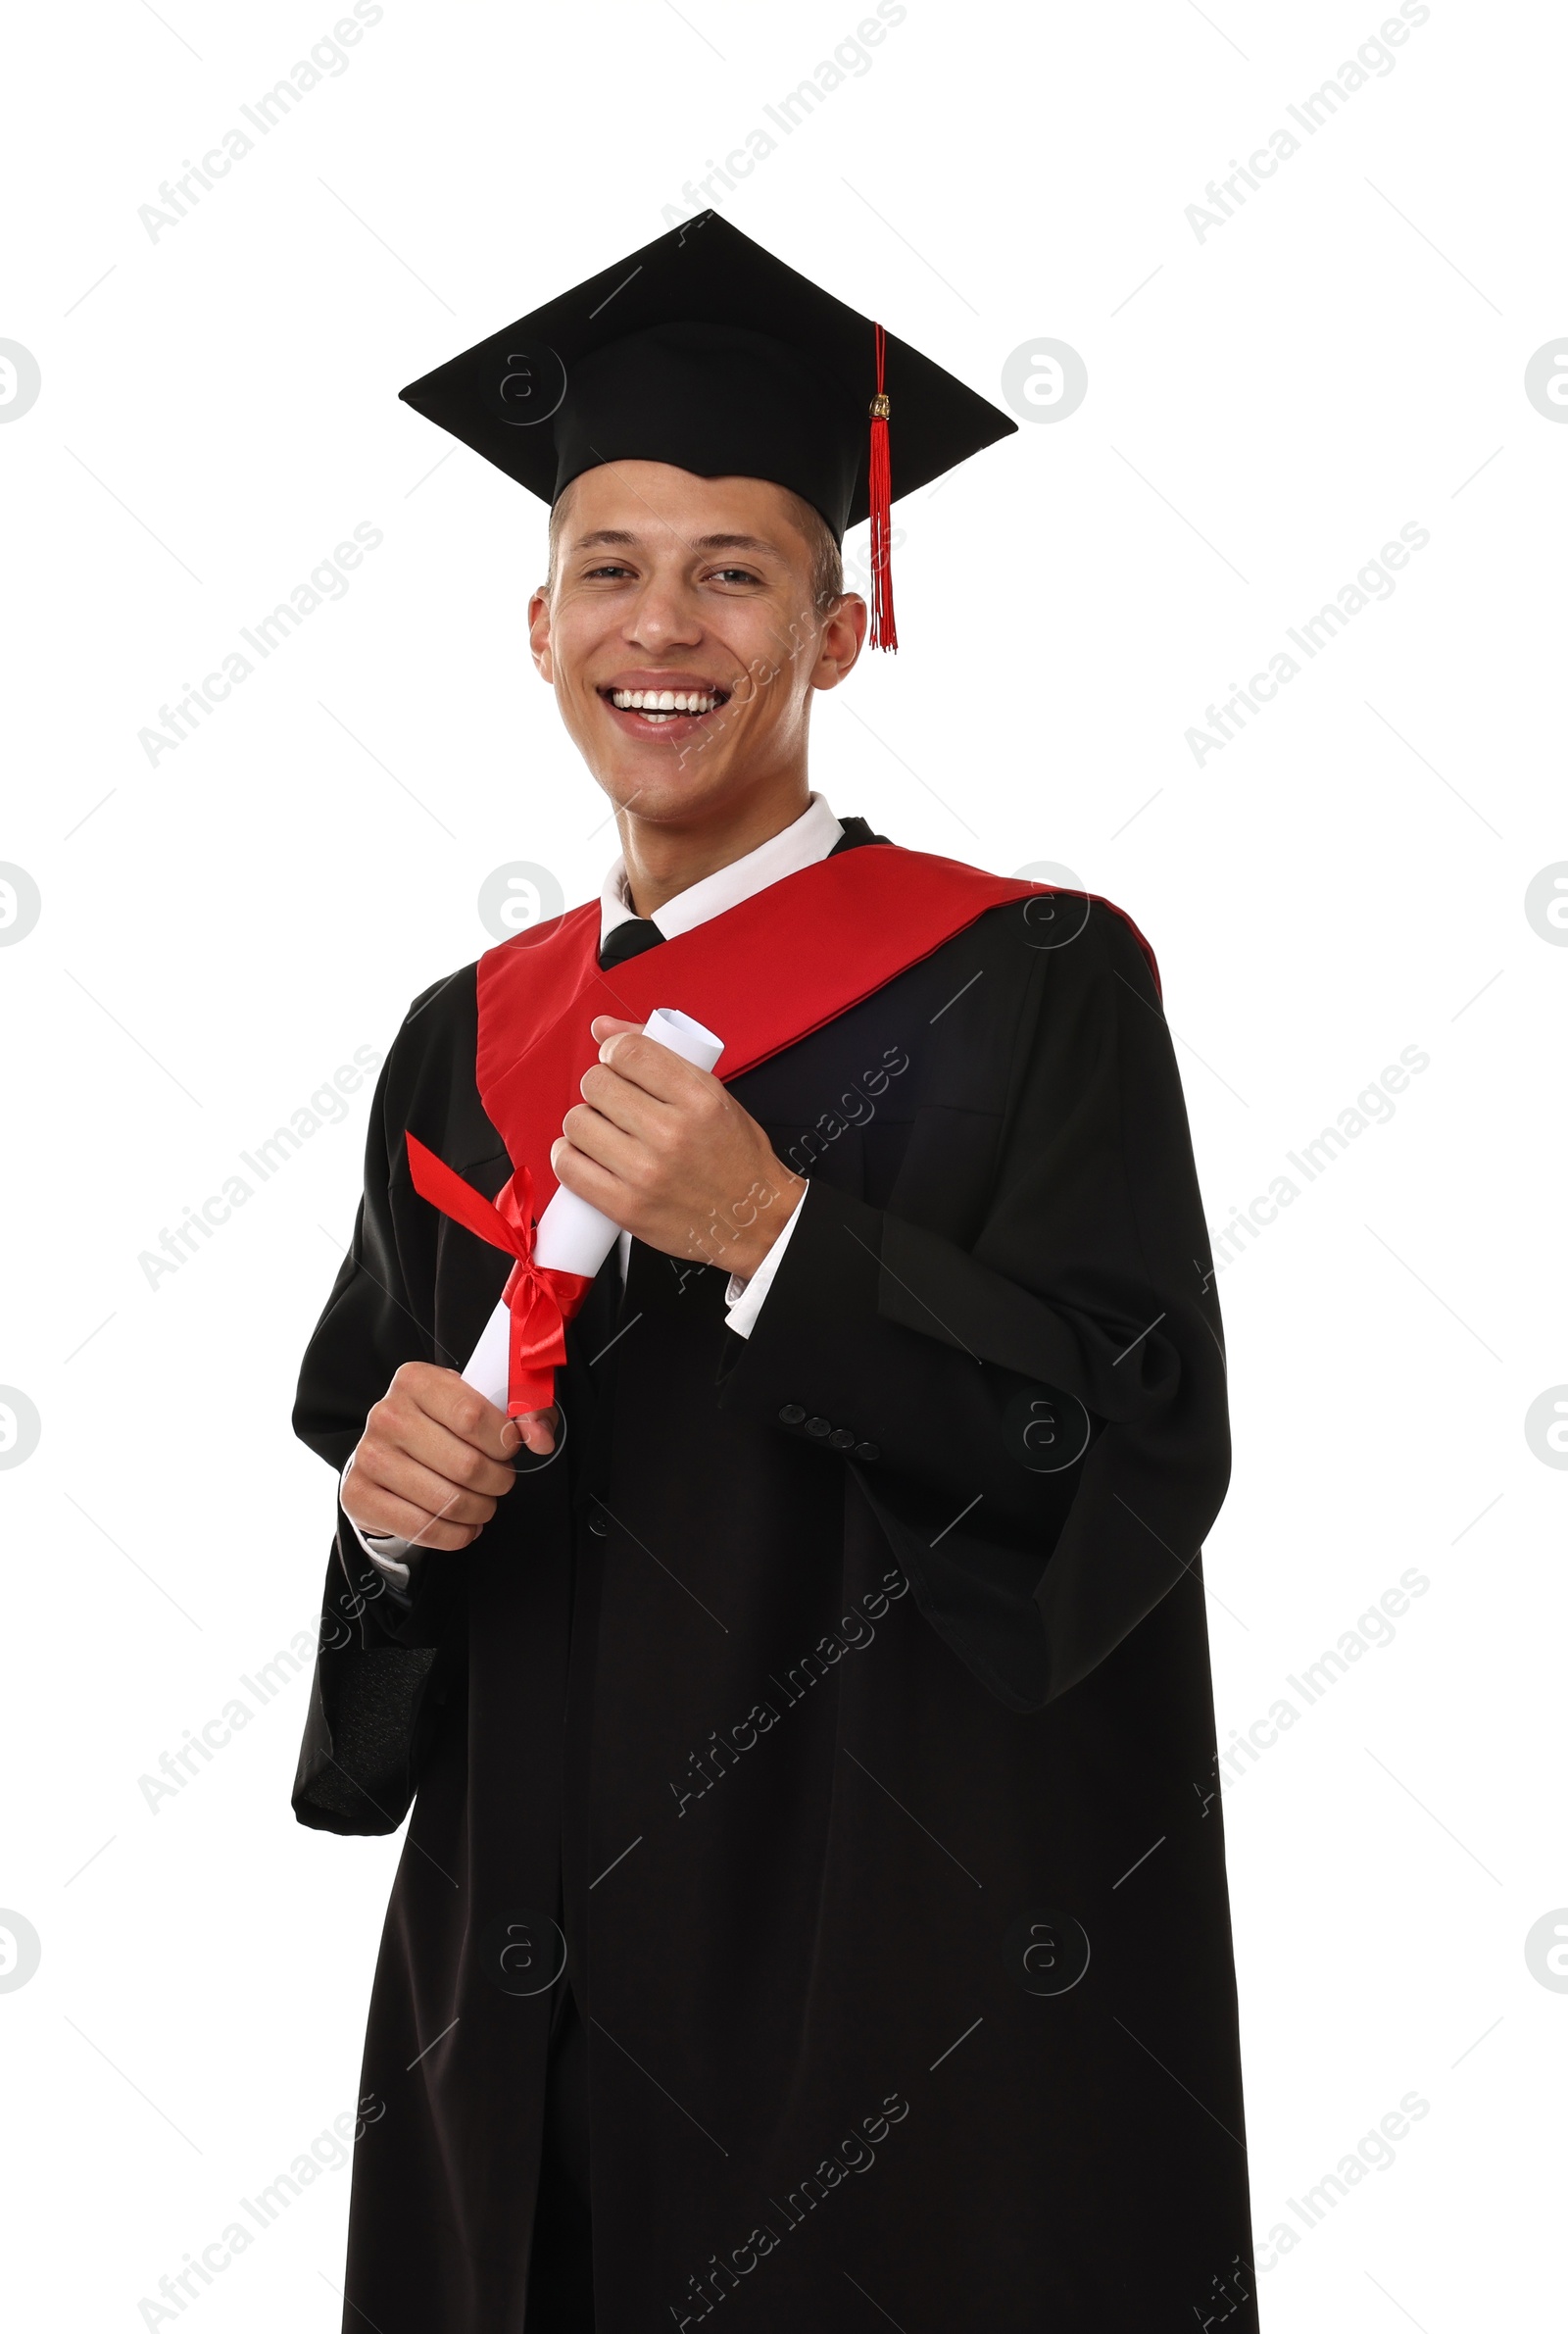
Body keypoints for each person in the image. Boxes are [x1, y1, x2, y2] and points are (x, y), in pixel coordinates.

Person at [292, 212, 1255, 2333]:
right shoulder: (463, 1038)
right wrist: (384, 1533)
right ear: (536, 623)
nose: (667, 626)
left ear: (832, 634)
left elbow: (1125, 1456)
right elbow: (392, 1517)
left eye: (734, 570)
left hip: (885, 2003)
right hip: (524, 2004)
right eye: (614, 569)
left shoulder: (1030, 984)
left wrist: (775, 1238)